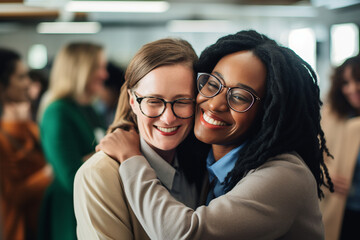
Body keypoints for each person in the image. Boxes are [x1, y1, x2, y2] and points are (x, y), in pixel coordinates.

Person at [97, 30, 334, 239]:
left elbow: (185, 234)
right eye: (213, 84)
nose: (214, 104)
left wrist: (131, 159)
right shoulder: (209, 164)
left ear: (267, 112)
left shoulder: (284, 175)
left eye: (239, 97)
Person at [74, 38, 208, 240]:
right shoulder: (98, 175)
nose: (168, 117)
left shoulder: (201, 165)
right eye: (153, 101)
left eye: (182, 101)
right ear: (132, 102)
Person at [37, 42, 108, 240]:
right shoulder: (57, 111)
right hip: (69, 211)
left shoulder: (88, 108)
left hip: (90, 205)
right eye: (99, 68)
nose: (105, 74)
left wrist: (95, 157)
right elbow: (71, 176)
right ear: (81, 70)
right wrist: (108, 154)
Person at [0, 48, 52, 240]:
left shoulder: (30, 128)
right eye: (21, 77)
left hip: (42, 226)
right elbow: (11, 195)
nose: (28, 83)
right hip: (20, 231)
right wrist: (49, 173)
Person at [320, 55, 360, 240]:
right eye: (346, 82)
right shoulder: (331, 115)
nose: (353, 88)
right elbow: (310, 156)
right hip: (340, 211)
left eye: (358, 80)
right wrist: (324, 174)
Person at [93, 61, 125, 127]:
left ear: (113, 90)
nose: (98, 93)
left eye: (101, 86)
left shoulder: (121, 116)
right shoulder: (102, 109)